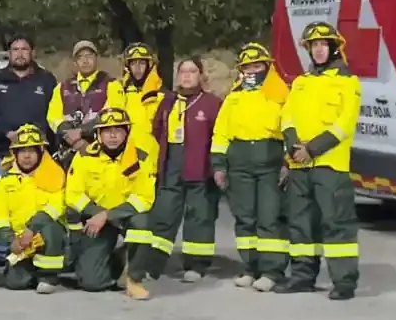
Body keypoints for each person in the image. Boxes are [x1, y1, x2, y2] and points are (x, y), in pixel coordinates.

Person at [123, 58, 222, 298]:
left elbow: (220, 136)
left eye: (192, 71)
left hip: (200, 169)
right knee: (163, 216)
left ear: (201, 76)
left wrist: (218, 167)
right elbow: (157, 132)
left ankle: (196, 265)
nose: (187, 76)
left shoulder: (213, 103)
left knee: (200, 218)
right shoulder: (167, 102)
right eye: (183, 72)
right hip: (171, 168)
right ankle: (154, 265)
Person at [277, 22, 361, 300]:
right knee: (301, 223)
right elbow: (287, 116)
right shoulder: (301, 82)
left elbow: (344, 125)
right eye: (314, 45)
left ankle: (344, 282)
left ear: (334, 47)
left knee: (336, 223)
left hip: (330, 166)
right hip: (300, 165)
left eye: (324, 44)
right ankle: (302, 276)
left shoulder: (348, 82)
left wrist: (311, 149)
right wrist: (292, 146)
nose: (319, 50)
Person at [211, 42, 291, 292]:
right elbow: (221, 133)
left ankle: (272, 271)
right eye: (246, 67)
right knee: (245, 219)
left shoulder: (281, 95)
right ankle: (250, 267)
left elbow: (291, 129)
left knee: (269, 218)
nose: (251, 72)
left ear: (267, 67)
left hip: (270, 163)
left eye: (256, 66)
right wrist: (218, 165)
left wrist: (288, 162)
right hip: (239, 164)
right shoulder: (233, 98)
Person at [63, 108, 156, 295]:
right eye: (107, 130)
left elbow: (144, 198)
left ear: (127, 133)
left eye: (118, 130)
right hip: (94, 217)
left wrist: (107, 215)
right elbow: (73, 195)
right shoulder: (84, 157)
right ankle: (119, 258)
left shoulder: (141, 159)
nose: (112, 135)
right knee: (92, 283)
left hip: (125, 216)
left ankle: (134, 279)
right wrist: (97, 213)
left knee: (142, 223)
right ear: (98, 134)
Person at [0, 124, 68, 293]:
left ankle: (49, 277)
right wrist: (11, 240)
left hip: (47, 237)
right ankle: (32, 271)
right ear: (15, 154)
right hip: (22, 242)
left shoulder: (54, 175)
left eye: (32, 151)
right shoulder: (5, 181)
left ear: (40, 153)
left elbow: (57, 207)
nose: (27, 156)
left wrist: (32, 229)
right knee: (14, 284)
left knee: (52, 228)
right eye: (22, 150)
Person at [0, 35, 58, 187]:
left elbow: (53, 113)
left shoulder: (47, 80)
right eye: (15, 49)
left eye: (24, 49)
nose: (20, 53)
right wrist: (7, 133)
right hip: (3, 154)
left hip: (40, 155)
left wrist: (36, 135)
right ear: (9, 53)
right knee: (4, 201)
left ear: (32, 53)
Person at [47, 40, 113, 159]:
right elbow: (53, 117)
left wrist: (82, 132)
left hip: (100, 151)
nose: (85, 60)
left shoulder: (111, 84)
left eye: (89, 56)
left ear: (96, 58)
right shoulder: (62, 87)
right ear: (75, 62)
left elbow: (112, 114)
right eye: (80, 57)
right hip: (68, 150)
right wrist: (72, 137)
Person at [105, 42, 164, 154]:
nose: (137, 68)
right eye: (133, 63)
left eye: (141, 63)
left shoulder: (161, 95)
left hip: (152, 156)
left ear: (150, 65)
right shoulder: (119, 92)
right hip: (123, 155)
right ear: (128, 67)